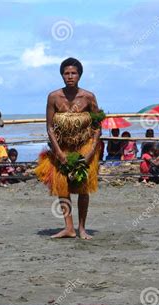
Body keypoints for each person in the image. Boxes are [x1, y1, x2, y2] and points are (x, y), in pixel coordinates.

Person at [35, 58, 101, 240]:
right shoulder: (54, 97)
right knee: (62, 186)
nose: (70, 76)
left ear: (79, 75)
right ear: (62, 75)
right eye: (66, 73)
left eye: (74, 73)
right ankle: (69, 228)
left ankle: (82, 228)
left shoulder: (88, 97)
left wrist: (90, 151)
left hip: (84, 146)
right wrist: (58, 152)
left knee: (83, 187)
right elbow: (49, 127)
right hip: (62, 146)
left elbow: (97, 125)